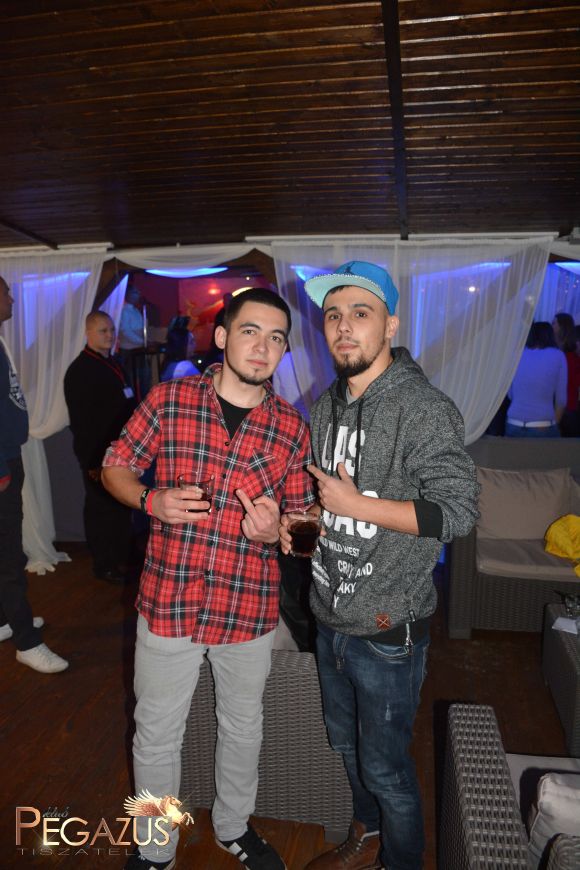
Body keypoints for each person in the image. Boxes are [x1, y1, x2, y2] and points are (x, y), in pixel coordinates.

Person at [101, 288, 315, 870]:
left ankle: (233, 828)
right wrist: (151, 500)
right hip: (169, 599)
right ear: (221, 337)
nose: (263, 346)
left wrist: (277, 531)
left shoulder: (292, 427)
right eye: (250, 331)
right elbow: (115, 465)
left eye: (276, 338)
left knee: (243, 729)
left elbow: (303, 527)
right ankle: (156, 849)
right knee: (155, 733)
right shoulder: (169, 400)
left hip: (247, 606)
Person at [280, 261, 479, 870]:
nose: (343, 328)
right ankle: (366, 835)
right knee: (345, 747)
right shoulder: (326, 407)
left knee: (386, 767)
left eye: (360, 314)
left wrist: (356, 506)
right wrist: (305, 518)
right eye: (332, 316)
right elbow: (331, 498)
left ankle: (401, 860)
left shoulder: (423, 408)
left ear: (390, 325)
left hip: (389, 630)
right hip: (330, 616)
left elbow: (459, 511)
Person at [0, 276, 68, 673]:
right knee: (9, 558)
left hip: (9, 458)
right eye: (5, 292)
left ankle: (4, 620)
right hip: (1, 465)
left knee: (5, 553)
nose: (11, 299)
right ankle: (27, 642)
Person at [64, 311, 136, 582]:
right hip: (97, 453)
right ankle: (104, 564)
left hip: (121, 451)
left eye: (111, 330)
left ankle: (122, 556)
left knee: (120, 505)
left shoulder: (113, 363)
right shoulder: (80, 370)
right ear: (88, 333)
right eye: (103, 331)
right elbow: (83, 422)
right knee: (100, 508)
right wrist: (94, 460)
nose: (109, 335)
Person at [506, 321, 567, 438]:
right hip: (543, 423)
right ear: (550, 336)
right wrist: (554, 423)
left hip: (514, 422)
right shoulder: (558, 356)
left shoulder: (516, 355)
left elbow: (510, 394)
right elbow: (561, 400)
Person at [552, 312, 580, 437]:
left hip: (568, 409)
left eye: (554, 323)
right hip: (560, 408)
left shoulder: (571, 357)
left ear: (562, 327)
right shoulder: (559, 355)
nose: (552, 326)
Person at [159, 317, 199, 382]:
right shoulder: (185, 367)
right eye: (191, 342)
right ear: (182, 345)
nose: (195, 345)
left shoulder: (167, 365)